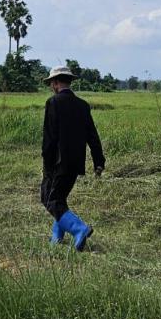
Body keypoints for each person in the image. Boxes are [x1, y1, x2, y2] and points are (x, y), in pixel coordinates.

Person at [41, 66, 105, 251]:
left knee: (50, 199)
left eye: (51, 83)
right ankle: (57, 235)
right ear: (69, 81)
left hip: (58, 163)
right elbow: (92, 135)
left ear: (55, 82)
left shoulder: (53, 103)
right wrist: (98, 161)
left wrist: (47, 164)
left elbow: (50, 139)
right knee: (59, 198)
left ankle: (79, 229)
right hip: (76, 162)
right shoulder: (82, 105)